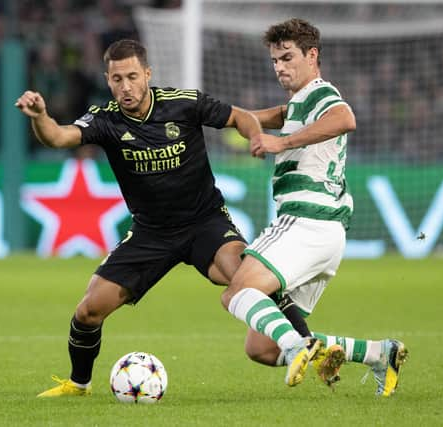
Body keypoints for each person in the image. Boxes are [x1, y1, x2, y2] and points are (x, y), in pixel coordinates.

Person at [15, 39, 311, 398]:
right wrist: (41, 117)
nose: (126, 87)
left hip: (205, 222)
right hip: (150, 233)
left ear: (148, 74)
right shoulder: (105, 120)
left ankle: (306, 343)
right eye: (117, 79)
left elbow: (240, 117)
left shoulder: (183, 103)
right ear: (108, 80)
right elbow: (59, 137)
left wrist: (255, 137)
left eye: (133, 77)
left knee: (249, 275)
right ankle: (79, 384)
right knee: (89, 311)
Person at [221, 18, 408, 397]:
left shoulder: (320, 93)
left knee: (236, 292)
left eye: (288, 57)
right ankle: (377, 353)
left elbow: (345, 118)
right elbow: (251, 117)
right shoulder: (299, 104)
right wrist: (208, 114)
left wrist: (280, 144)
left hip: (306, 221)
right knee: (260, 347)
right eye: (275, 60)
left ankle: (298, 347)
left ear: (312, 55)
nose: (280, 67)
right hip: (328, 235)